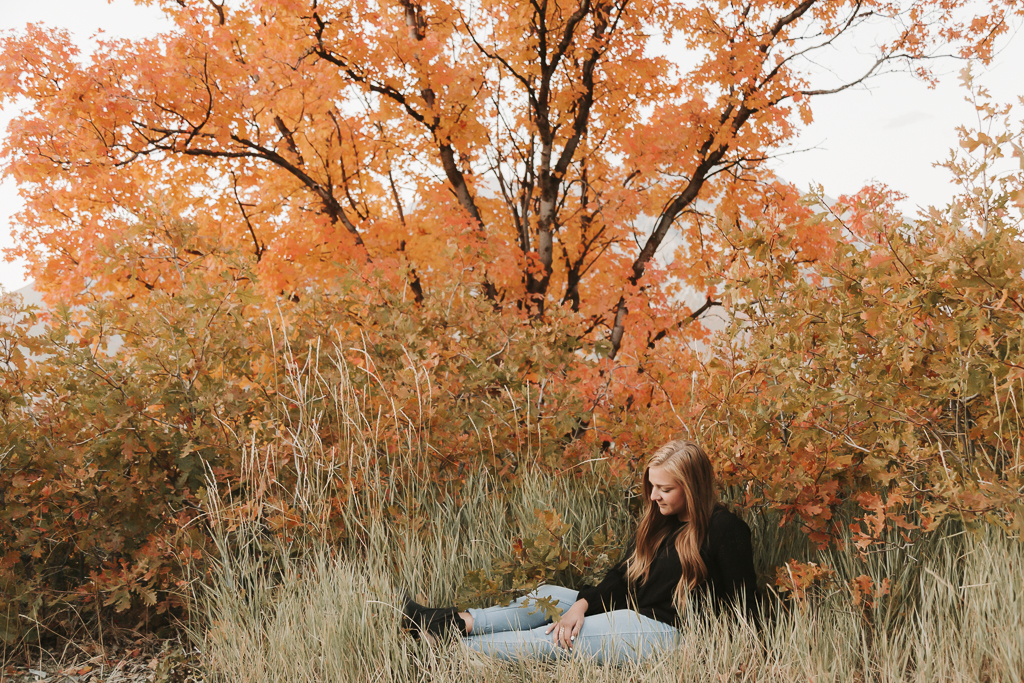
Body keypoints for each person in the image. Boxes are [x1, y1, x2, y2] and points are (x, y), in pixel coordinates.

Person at [401, 439, 758, 665]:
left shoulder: (724, 529)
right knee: (549, 597)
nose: (653, 496)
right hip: (631, 611)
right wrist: (582, 604)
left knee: (559, 635)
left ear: (692, 487)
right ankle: (450, 623)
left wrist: (743, 654)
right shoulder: (660, 523)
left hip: (667, 632)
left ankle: (448, 651)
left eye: (664, 489)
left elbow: (745, 602)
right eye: (652, 486)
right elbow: (621, 577)